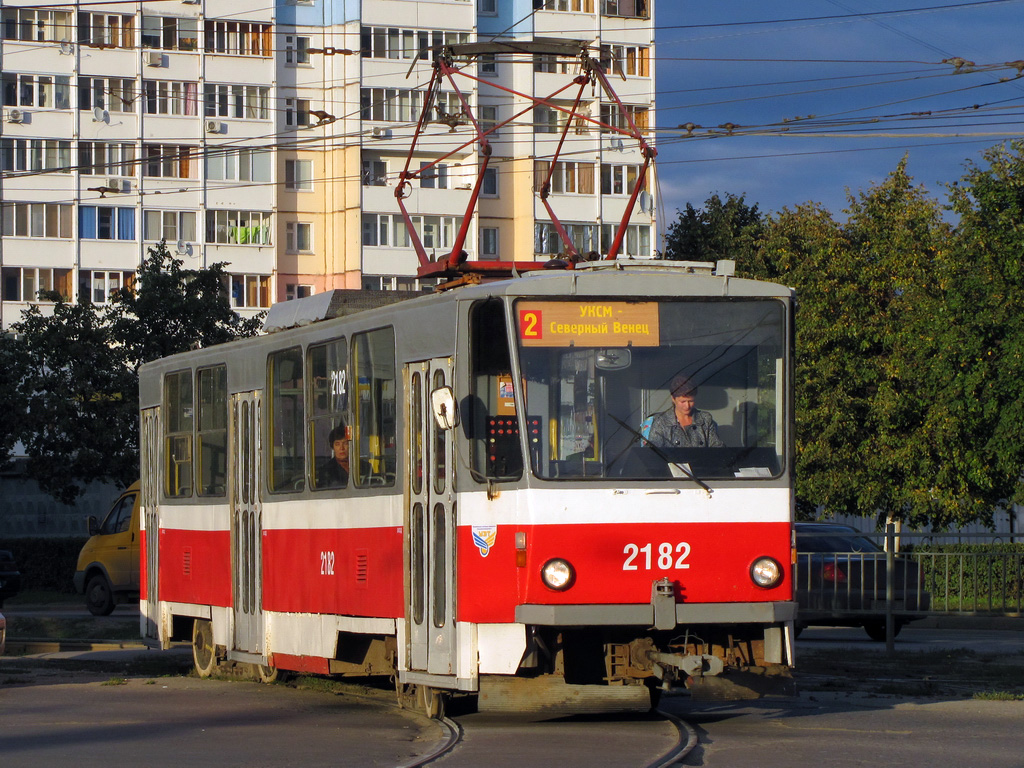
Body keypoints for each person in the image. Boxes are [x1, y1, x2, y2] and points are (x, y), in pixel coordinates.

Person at [644, 374, 724, 449]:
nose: (687, 406)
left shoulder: (705, 419)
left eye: (691, 401)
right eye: (683, 402)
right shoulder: (661, 421)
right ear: (673, 398)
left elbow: (717, 448)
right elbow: (652, 452)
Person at [318, 423, 350, 488]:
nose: (342, 448)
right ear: (332, 447)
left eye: (345, 443)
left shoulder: (365, 467)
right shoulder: (326, 470)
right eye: (337, 444)